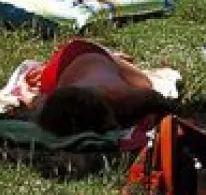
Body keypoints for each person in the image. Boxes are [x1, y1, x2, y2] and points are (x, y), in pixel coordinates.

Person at [27, 39, 176, 136]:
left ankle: (112, 56)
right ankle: (112, 57)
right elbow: (153, 97)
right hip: (61, 71)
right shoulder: (119, 95)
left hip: (84, 52)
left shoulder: (118, 94)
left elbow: (152, 94)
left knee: (143, 81)